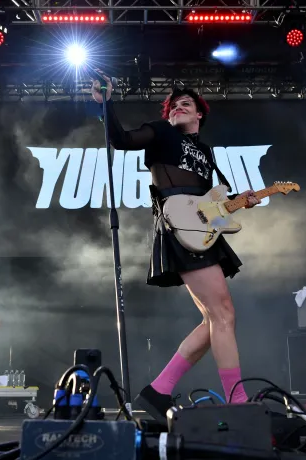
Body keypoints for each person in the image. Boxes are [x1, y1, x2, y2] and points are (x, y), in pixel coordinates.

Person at [91, 73, 260, 423]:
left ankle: (159, 390)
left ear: (199, 114)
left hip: (200, 229)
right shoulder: (161, 131)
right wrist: (107, 102)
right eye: (173, 106)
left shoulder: (205, 152)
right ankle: (238, 401)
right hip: (178, 226)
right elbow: (121, 140)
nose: (178, 108)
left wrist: (238, 202)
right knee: (224, 313)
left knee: (214, 318)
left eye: (186, 104)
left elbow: (209, 202)